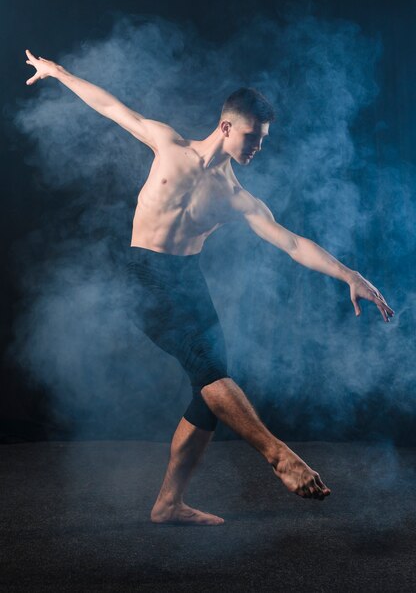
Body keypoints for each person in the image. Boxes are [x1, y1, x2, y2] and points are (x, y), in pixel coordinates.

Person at [25, 49, 395, 525]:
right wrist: (57, 72)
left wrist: (348, 274)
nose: (258, 148)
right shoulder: (168, 145)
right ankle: (281, 457)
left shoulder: (236, 197)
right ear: (226, 126)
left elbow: (291, 242)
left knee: (209, 387)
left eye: (262, 140)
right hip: (144, 276)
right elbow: (112, 107)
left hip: (187, 282)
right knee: (211, 375)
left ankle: (168, 503)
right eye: (252, 137)